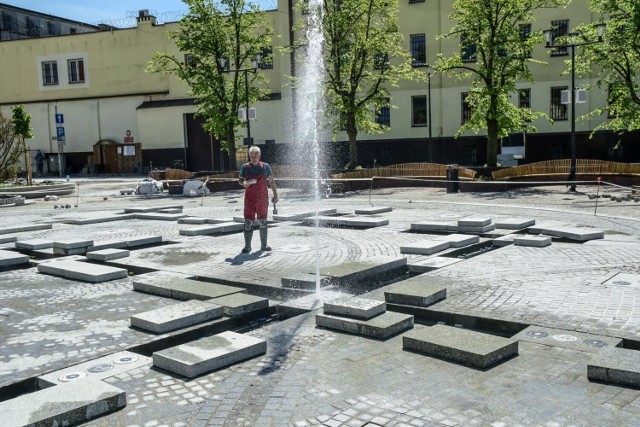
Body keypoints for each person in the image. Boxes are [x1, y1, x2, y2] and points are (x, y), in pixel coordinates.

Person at [239, 146, 278, 253]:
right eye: (252, 155)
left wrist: (275, 195)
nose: (254, 157)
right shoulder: (245, 167)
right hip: (250, 199)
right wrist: (244, 184)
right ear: (249, 156)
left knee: (263, 221)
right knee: (247, 222)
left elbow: (271, 181)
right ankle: (247, 246)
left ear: (259, 155)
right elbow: (240, 180)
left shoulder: (265, 167)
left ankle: (264, 246)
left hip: (262, 198)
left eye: (256, 155)